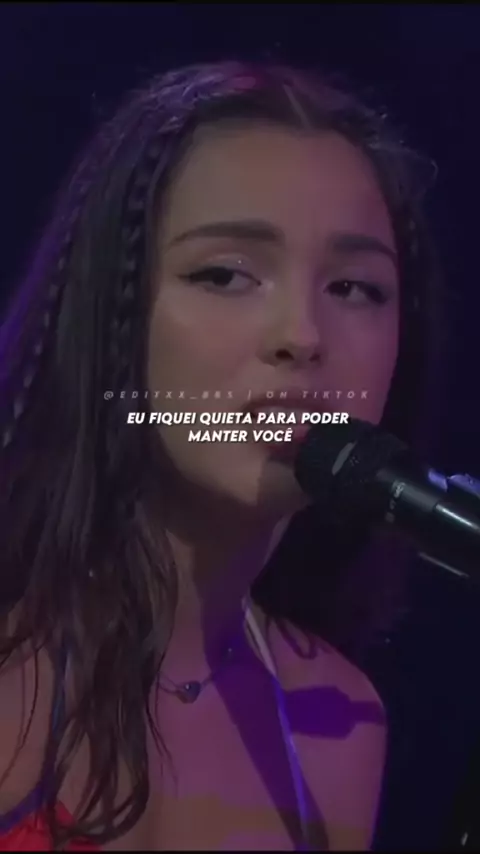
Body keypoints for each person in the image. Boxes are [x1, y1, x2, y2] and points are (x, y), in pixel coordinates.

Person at [0, 61, 440, 851]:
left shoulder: (340, 724)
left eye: (353, 288)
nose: (302, 335)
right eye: (226, 275)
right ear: (113, 313)